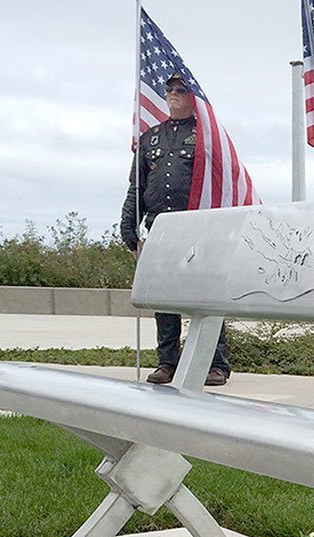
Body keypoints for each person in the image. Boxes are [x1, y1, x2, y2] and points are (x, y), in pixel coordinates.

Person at [121, 72, 230, 387]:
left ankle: (216, 364)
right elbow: (136, 187)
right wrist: (128, 227)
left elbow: (222, 181)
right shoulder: (150, 138)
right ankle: (168, 362)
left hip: (198, 227)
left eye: (181, 90)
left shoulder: (208, 137)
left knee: (205, 298)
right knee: (163, 299)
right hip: (161, 229)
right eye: (169, 89)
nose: (174, 94)